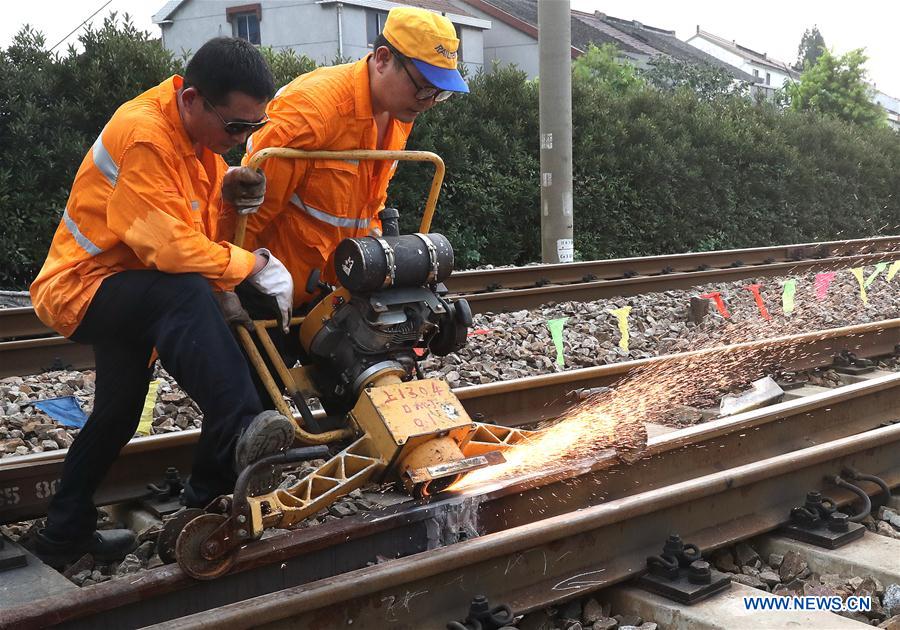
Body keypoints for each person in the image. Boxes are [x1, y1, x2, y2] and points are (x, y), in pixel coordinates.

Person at [29, 37, 297, 568]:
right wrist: (251, 266)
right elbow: (171, 248)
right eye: (236, 128)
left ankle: (63, 534)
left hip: (133, 286)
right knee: (192, 288)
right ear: (194, 98)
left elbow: (185, 207)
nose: (241, 139)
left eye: (253, 129)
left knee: (117, 411)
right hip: (86, 285)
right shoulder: (146, 137)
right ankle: (242, 428)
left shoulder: (196, 133)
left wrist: (229, 185)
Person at [242, 7, 469, 311]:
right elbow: (249, 214)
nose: (428, 103)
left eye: (439, 94)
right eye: (424, 88)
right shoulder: (310, 112)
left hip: (340, 288)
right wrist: (231, 286)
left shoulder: (400, 112)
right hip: (274, 289)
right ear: (383, 59)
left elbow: (369, 199)